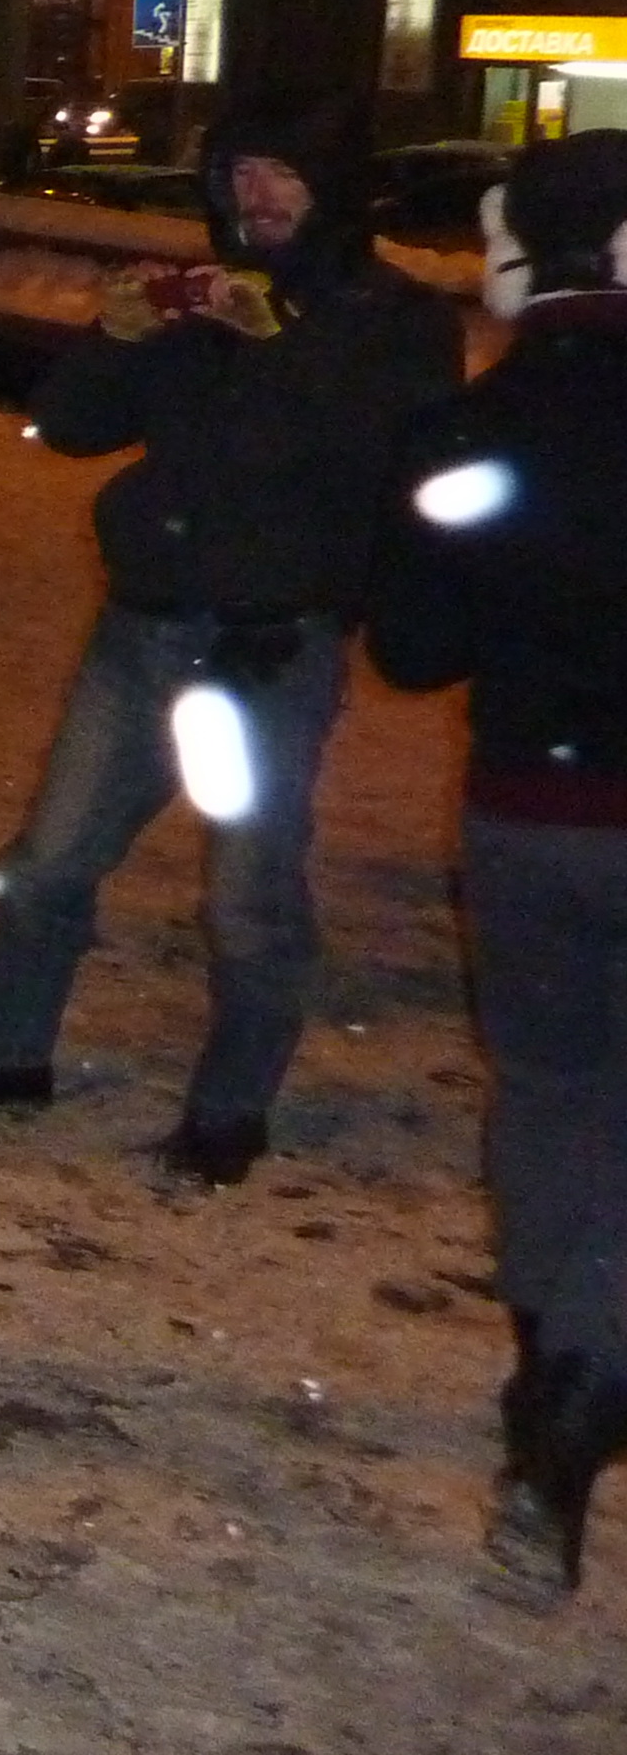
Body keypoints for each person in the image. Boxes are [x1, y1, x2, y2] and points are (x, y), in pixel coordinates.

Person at [0, 97, 464, 1183]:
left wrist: (281, 342)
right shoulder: (199, 300)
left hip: (272, 643)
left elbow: (377, 447)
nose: (256, 197)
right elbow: (71, 426)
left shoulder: (395, 317)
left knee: (249, 896)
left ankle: (229, 1110)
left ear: (333, 188)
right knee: (45, 865)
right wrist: (116, 336)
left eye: (281, 174)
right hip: (145, 626)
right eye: (238, 175)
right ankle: (3, 1056)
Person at [364, 130, 627, 1605]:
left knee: (547, 1086)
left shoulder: (467, 430)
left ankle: (550, 1368)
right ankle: (579, 1388)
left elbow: (413, 648)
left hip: (526, 809)